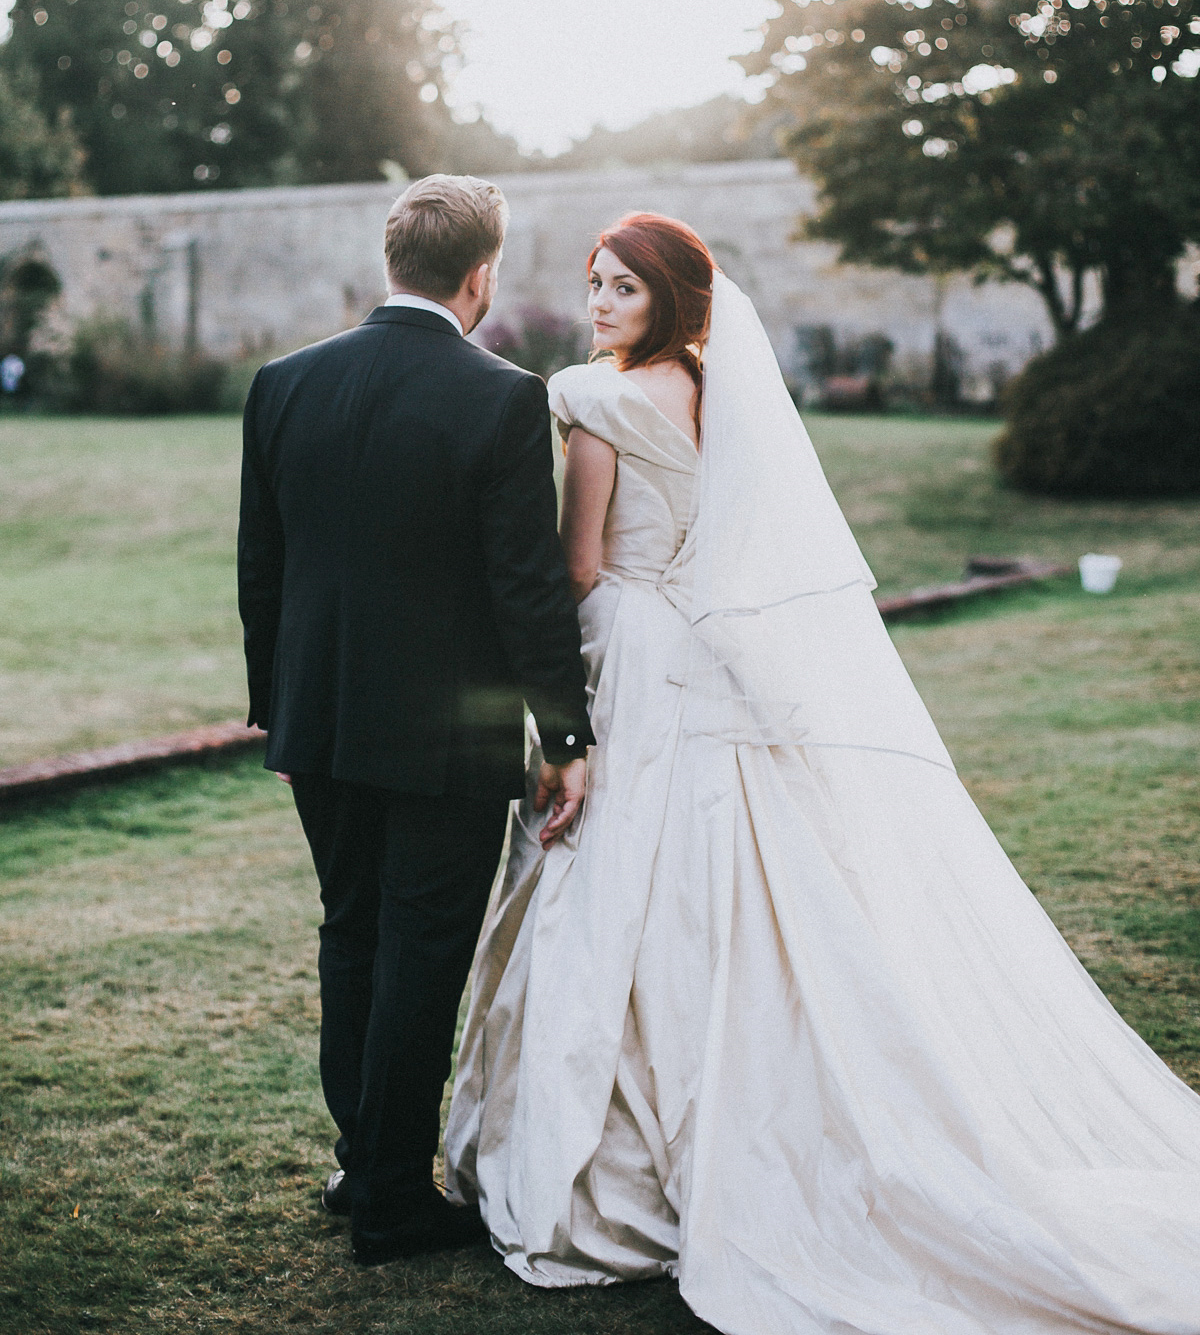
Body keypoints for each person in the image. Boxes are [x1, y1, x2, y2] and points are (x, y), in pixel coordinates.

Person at [445, 210, 1200, 1334]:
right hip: (713, 651)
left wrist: (550, 679)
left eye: (624, 291)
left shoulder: (596, 402)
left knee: (620, 882)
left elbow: (583, 564)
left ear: (670, 302)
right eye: (596, 285)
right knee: (750, 867)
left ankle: (622, 1164)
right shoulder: (724, 395)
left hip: (638, 655)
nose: (601, 304)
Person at [237, 174, 592, 1268]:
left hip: (323, 725)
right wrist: (567, 737)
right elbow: (526, 588)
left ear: (393, 263)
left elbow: (264, 567)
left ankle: (364, 1161)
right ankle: (390, 1196)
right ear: (480, 274)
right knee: (420, 955)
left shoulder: (282, 383)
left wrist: (276, 714)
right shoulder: (500, 397)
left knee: (352, 936)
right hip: (442, 743)